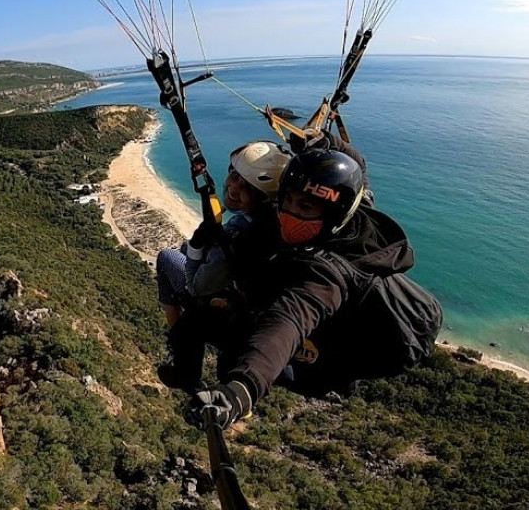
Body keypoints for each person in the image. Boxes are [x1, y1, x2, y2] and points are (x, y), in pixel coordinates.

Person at [187, 148, 443, 430]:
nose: (292, 212)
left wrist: (239, 392)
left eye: (306, 208)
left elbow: (290, 321)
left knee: (231, 344)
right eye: (288, 200)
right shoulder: (355, 213)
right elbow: (358, 172)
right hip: (346, 320)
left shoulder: (327, 274)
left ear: (336, 213)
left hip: (338, 356)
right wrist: (323, 144)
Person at [154, 142, 291, 384]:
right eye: (235, 176)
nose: (232, 187)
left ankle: (179, 354)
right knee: (184, 248)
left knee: (167, 258)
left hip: (232, 309)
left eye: (246, 187)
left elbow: (196, 285)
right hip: (258, 303)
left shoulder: (240, 232)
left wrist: (198, 245)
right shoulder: (279, 219)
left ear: (262, 195)